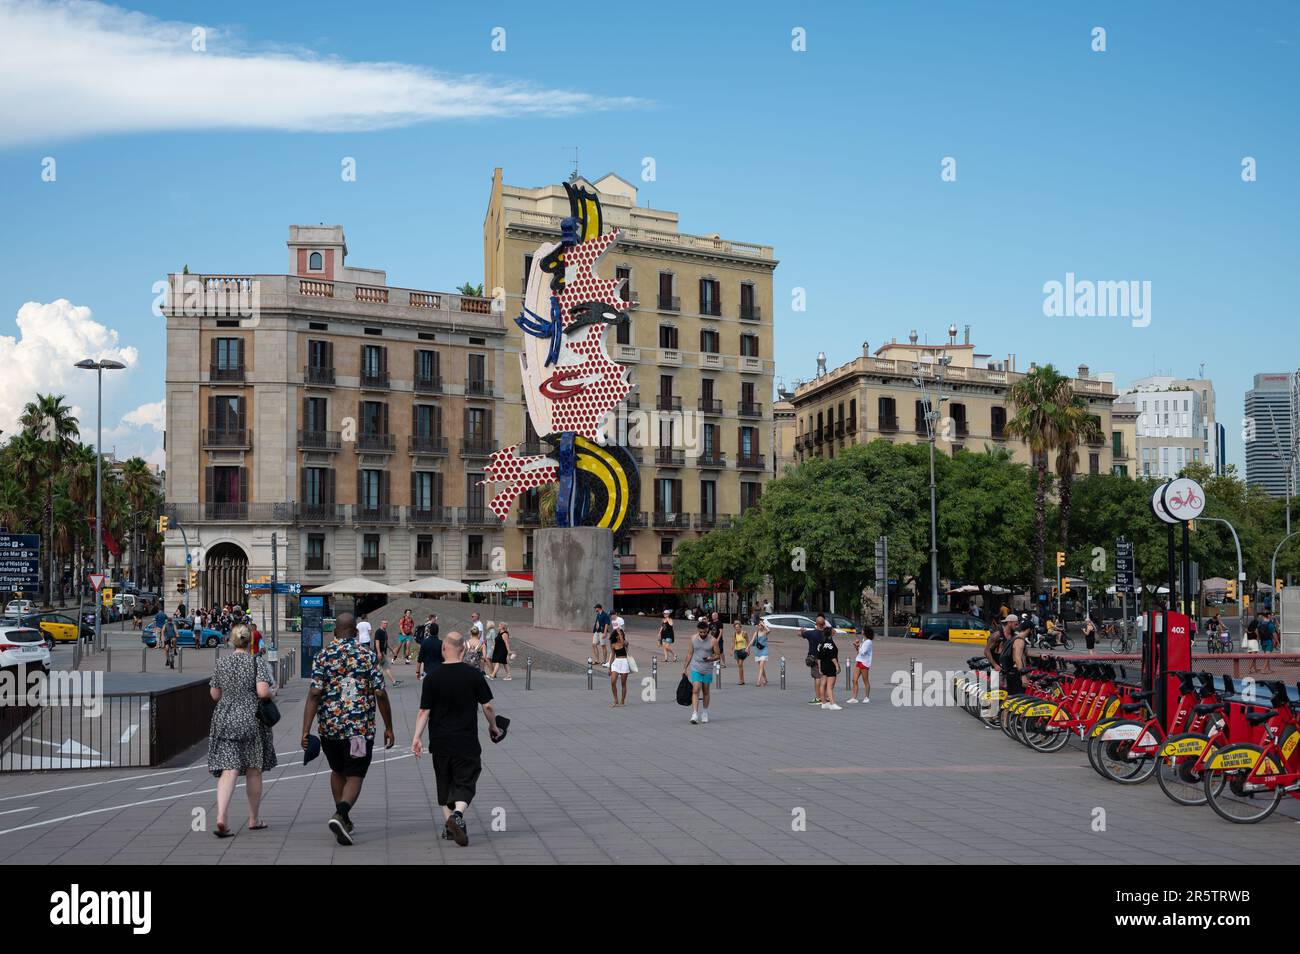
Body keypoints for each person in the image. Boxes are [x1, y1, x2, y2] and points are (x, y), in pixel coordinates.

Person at [300, 612, 395, 846]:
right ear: (355, 632)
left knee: (337, 770)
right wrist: (389, 727)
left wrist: (305, 730)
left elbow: (314, 693)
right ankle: (341, 814)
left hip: (329, 728)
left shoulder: (323, 656)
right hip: (359, 728)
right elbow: (380, 693)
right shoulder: (367, 656)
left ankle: (344, 818)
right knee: (355, 773)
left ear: (334, 633)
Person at [411, 632, 501, 847]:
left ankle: (449, 827)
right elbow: (487, 705)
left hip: (440, 741)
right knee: (466, 781)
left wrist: (417, 737)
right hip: (466, 740)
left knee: (445, 783)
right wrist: (493, 725)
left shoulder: (432, 677)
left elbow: (424, 711)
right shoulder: (473, 676)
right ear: (463, 649)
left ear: (444, 648)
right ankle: (458, 815)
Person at [207, 623, 277, 837]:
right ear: (250, 641)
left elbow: (214, 695)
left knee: (229, 770)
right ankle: (254, 819)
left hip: (225, 718)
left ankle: (221, 817)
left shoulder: (222, 662)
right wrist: (272, 692)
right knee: (253, 770)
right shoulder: (256, 662)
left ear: (231, 641)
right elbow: (262, 692)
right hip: (251, 718)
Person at [684, 618, 719, 724]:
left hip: (707, 668)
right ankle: (694, 714)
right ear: (697, 630)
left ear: (707, 630)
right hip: (696, 667)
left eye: (704, 632)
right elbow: (690, 653)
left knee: (706, 690)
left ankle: (705, 712)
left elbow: (718, 655)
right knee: (695, 689)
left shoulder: (713, 640)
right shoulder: (693, 638)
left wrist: (710, 659)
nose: (702, 634)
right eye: (700, 632)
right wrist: (684, 668)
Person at [800, 614, 828, 705]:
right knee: (824, 677)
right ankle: (826, 696)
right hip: (825, 657)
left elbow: (801, 634)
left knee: (817, 677)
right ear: (824, 624)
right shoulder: (826, 633)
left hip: (814, 658)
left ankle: (818, 697)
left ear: (816, 623)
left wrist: (802, 631)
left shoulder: (811, 633)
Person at [816, 625, 841, 710]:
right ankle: (832, 703)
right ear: (831, 633)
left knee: (823, 684)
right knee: (830, 686)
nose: (834, 631)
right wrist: (837, 666)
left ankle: (823, 703)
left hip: (823, 666)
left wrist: (819, 668)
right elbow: (833, 657)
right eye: (833, 630)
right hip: (830, 666)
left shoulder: (820, 643)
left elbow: (818, 657)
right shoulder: (830, 643)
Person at [848, 627, 873, 703]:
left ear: (865, 632)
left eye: (862, 630)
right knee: (854, 679)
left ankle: (866, 697)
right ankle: (854, 697)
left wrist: (858, 646)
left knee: (865, 680)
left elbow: (863, 652)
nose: (861, 631)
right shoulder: (863, 641)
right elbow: (859, 652)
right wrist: (856, 646)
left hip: (864, 663)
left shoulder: (868, 642)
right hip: (859, 661)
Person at [609, 627, 630, 706]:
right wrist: (609, 667)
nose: (619, 636)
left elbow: (624, 643)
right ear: (616, 636)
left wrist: (620, 634)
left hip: (624, 663)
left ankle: (622, 701)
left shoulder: (625, 643)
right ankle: (615, 700)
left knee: (623, 684)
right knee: (613, 682)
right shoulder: (613, 644)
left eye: (621, 634)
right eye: (618, 635)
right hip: (616, 663)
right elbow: (612, 656)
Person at [751, 618, 770, 687]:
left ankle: (758, 681)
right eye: (759, 625)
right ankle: (765, 679)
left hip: (764, 650)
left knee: (761, 665)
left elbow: (769, 630)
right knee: (761, 667)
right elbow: (752, 641)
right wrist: (747, 647)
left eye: (761, 625)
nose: (760, 626)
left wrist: (764, 625)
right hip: (757, 651)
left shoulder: (765, 632)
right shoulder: (756, 633)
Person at [732, 621, 750, 686]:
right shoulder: (734, 634)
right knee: (739, 666)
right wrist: (732, 651)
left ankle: (741, 680)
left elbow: (748, 641)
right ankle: (742, 680)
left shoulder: (744, 633)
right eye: (735, 628)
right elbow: (734, 643)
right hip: (737, 650)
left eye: (738, 627)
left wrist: (748, 649)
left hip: (743, 650)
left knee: (740, 664)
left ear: (740, 627)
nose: (737, 629)